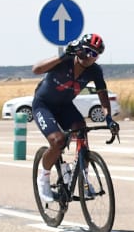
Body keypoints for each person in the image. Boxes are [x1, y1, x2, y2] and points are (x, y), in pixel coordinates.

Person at [30, 35, 114, 202]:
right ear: (79, 49)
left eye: (95, 54)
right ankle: (44, 178)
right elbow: (36, 69)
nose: (90, 57)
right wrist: (62, 56)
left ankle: (82, 178)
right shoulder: (65, 60)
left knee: (81, 129)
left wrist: (109, 119)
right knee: (58, 141)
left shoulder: (95, 71)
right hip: (44, 105)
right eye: (87, 51)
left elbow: (103, 96)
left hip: (65, 106)